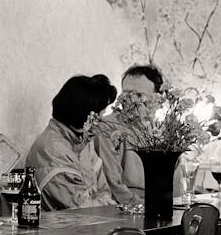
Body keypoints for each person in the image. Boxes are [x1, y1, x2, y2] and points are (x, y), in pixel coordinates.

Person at [25, 74, 117, 210]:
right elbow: (81, 210)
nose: (103, 119)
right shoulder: (52, 150)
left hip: (90, 225)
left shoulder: (83, 140)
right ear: (87, 115)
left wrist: (103, 203)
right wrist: (103, 204)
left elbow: (104, 192)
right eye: (101, 113)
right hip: (59, 229)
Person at [94, 64, 166, 205]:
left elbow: (175, 185)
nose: (131, 100)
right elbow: (113, 184)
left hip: (159, 205)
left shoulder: (164, 130)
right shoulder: (106, 127)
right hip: (124, 208)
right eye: (126, 94)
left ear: (158, 99)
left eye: (139, 95)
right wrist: (141, 206)